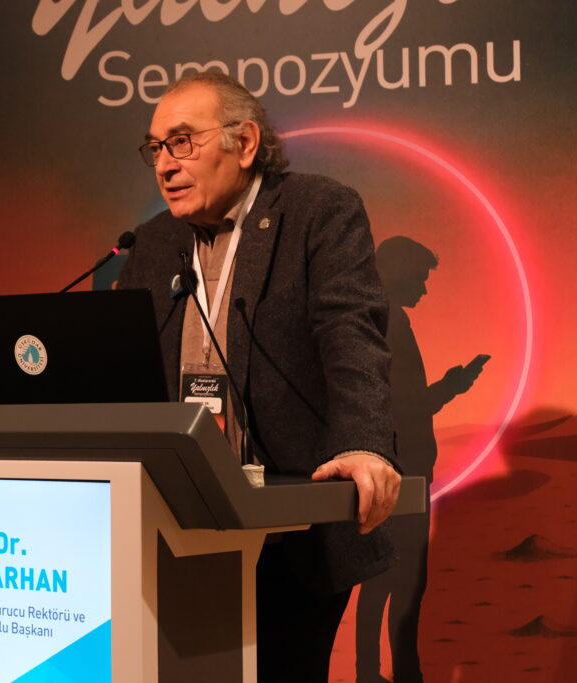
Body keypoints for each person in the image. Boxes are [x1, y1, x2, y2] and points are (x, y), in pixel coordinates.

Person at [117, 71, 401, 682]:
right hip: (175, 518)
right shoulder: (154, 242)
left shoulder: (317, 211)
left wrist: (364, 443)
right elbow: (122, 369)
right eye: (156, 148)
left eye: (182, 141)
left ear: (244, 143)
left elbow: (351, 331)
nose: (164, 164)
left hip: (289, 525)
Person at [355, 236, 484, 683]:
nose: (425, 288)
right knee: (405, 583)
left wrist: (450, 386)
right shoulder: (390, 324)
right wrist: (452, 387)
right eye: (421, 277)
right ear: (398, 272)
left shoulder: (378, 321)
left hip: (393, 472)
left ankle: (372, 673)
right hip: (403, 475)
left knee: (381, 582)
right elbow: (406, 408)